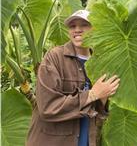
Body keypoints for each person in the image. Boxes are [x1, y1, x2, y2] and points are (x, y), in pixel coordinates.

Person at [26, 9, 120, 146]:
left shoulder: (99, 61)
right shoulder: (54, 57)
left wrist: (102, 98)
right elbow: (47, 107)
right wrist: (93, 94)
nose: (77, 30)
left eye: (84, 25)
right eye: (72, 26)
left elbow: (98, 112)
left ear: (94, 29)